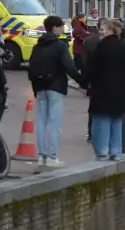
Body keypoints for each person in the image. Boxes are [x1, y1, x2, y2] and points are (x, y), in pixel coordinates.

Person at [27, 15, 84, 167]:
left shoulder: (37, 46)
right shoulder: (60, 46)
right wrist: (82, 82)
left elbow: (31, 67)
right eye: (61, 27)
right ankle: (51, 156)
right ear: (55, 28)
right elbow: (69, 66)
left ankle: (41, 156)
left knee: (41, 122)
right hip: (56, 86)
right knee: (54, 122)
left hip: (40, 87)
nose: (63, 29)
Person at [85, 18, 125, 159]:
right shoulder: (124, 47)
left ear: (110, 31)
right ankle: (115, 151)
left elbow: (92, 69)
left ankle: (102, 152)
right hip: (119, 91)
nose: (100, 31)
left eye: (102, 29)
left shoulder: (101, 48)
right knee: (116, 122)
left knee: (101, 122)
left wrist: (85, 84)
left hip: (102, 91)